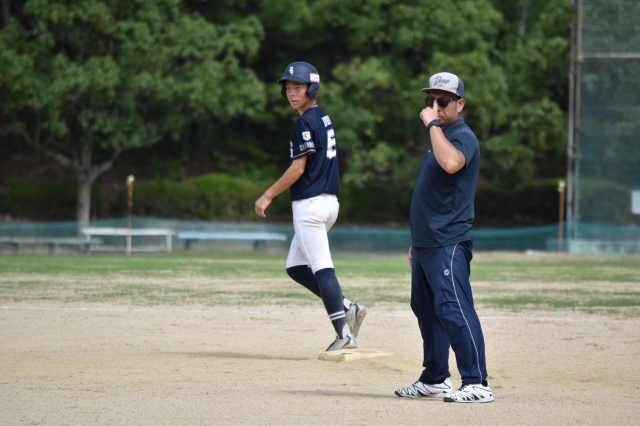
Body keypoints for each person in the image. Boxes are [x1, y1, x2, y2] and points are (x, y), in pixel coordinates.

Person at [394, 72, 493, 403]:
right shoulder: (441, 136)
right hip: (427, 242)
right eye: (431, 100)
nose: (436, 106)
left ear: (459, 104)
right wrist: (416, 241)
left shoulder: (462, 136)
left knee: (454, 308)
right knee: (426, 309)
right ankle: (435, 378)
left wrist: (432, 125)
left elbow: (451, 164)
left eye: (444, 101)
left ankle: (477, 382)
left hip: (449, 240)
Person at [254, 61, 367, 352]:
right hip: (328, 204)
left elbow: (297, 169)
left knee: (322, 269)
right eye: (288, 88)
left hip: (311, 207)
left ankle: (343, 335)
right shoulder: (322, 116)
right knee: (295, 267)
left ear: (312, 89)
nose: (292, 93)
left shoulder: (303, 122)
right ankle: (347, 306)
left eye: (298, 87)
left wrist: (267, 195)